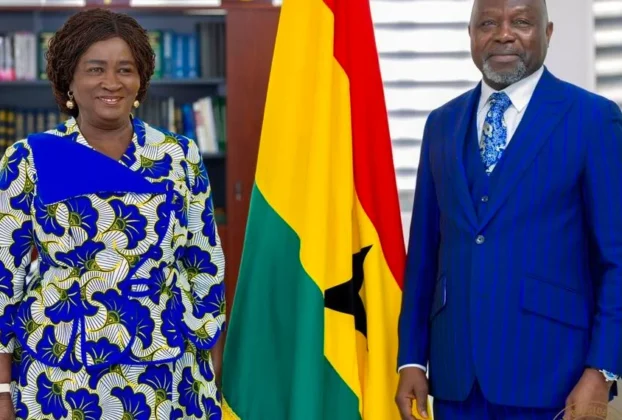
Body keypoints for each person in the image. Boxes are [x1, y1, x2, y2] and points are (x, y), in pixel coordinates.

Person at [395, 0, 621, 418]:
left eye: (521, 22)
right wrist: (411, 358)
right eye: (487, 23)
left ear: (547, 33)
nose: (503, 34)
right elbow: (424, 256)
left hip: (554, 379)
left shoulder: (593, 120)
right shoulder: (441, 124)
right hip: (455, 377)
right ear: (470, 34)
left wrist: (602, 370)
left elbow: (617, 259)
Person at [0, 8, 226, 420]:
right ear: (69, 79)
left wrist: (209, 367)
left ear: (140, 80)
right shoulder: (28, 159)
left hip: (166, 374)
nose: (111, 82)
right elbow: (3, 281)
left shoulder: (178, 156)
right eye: (95, 69)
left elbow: (203, 265)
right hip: (60, 379)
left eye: (125, 69)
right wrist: (1, 391)